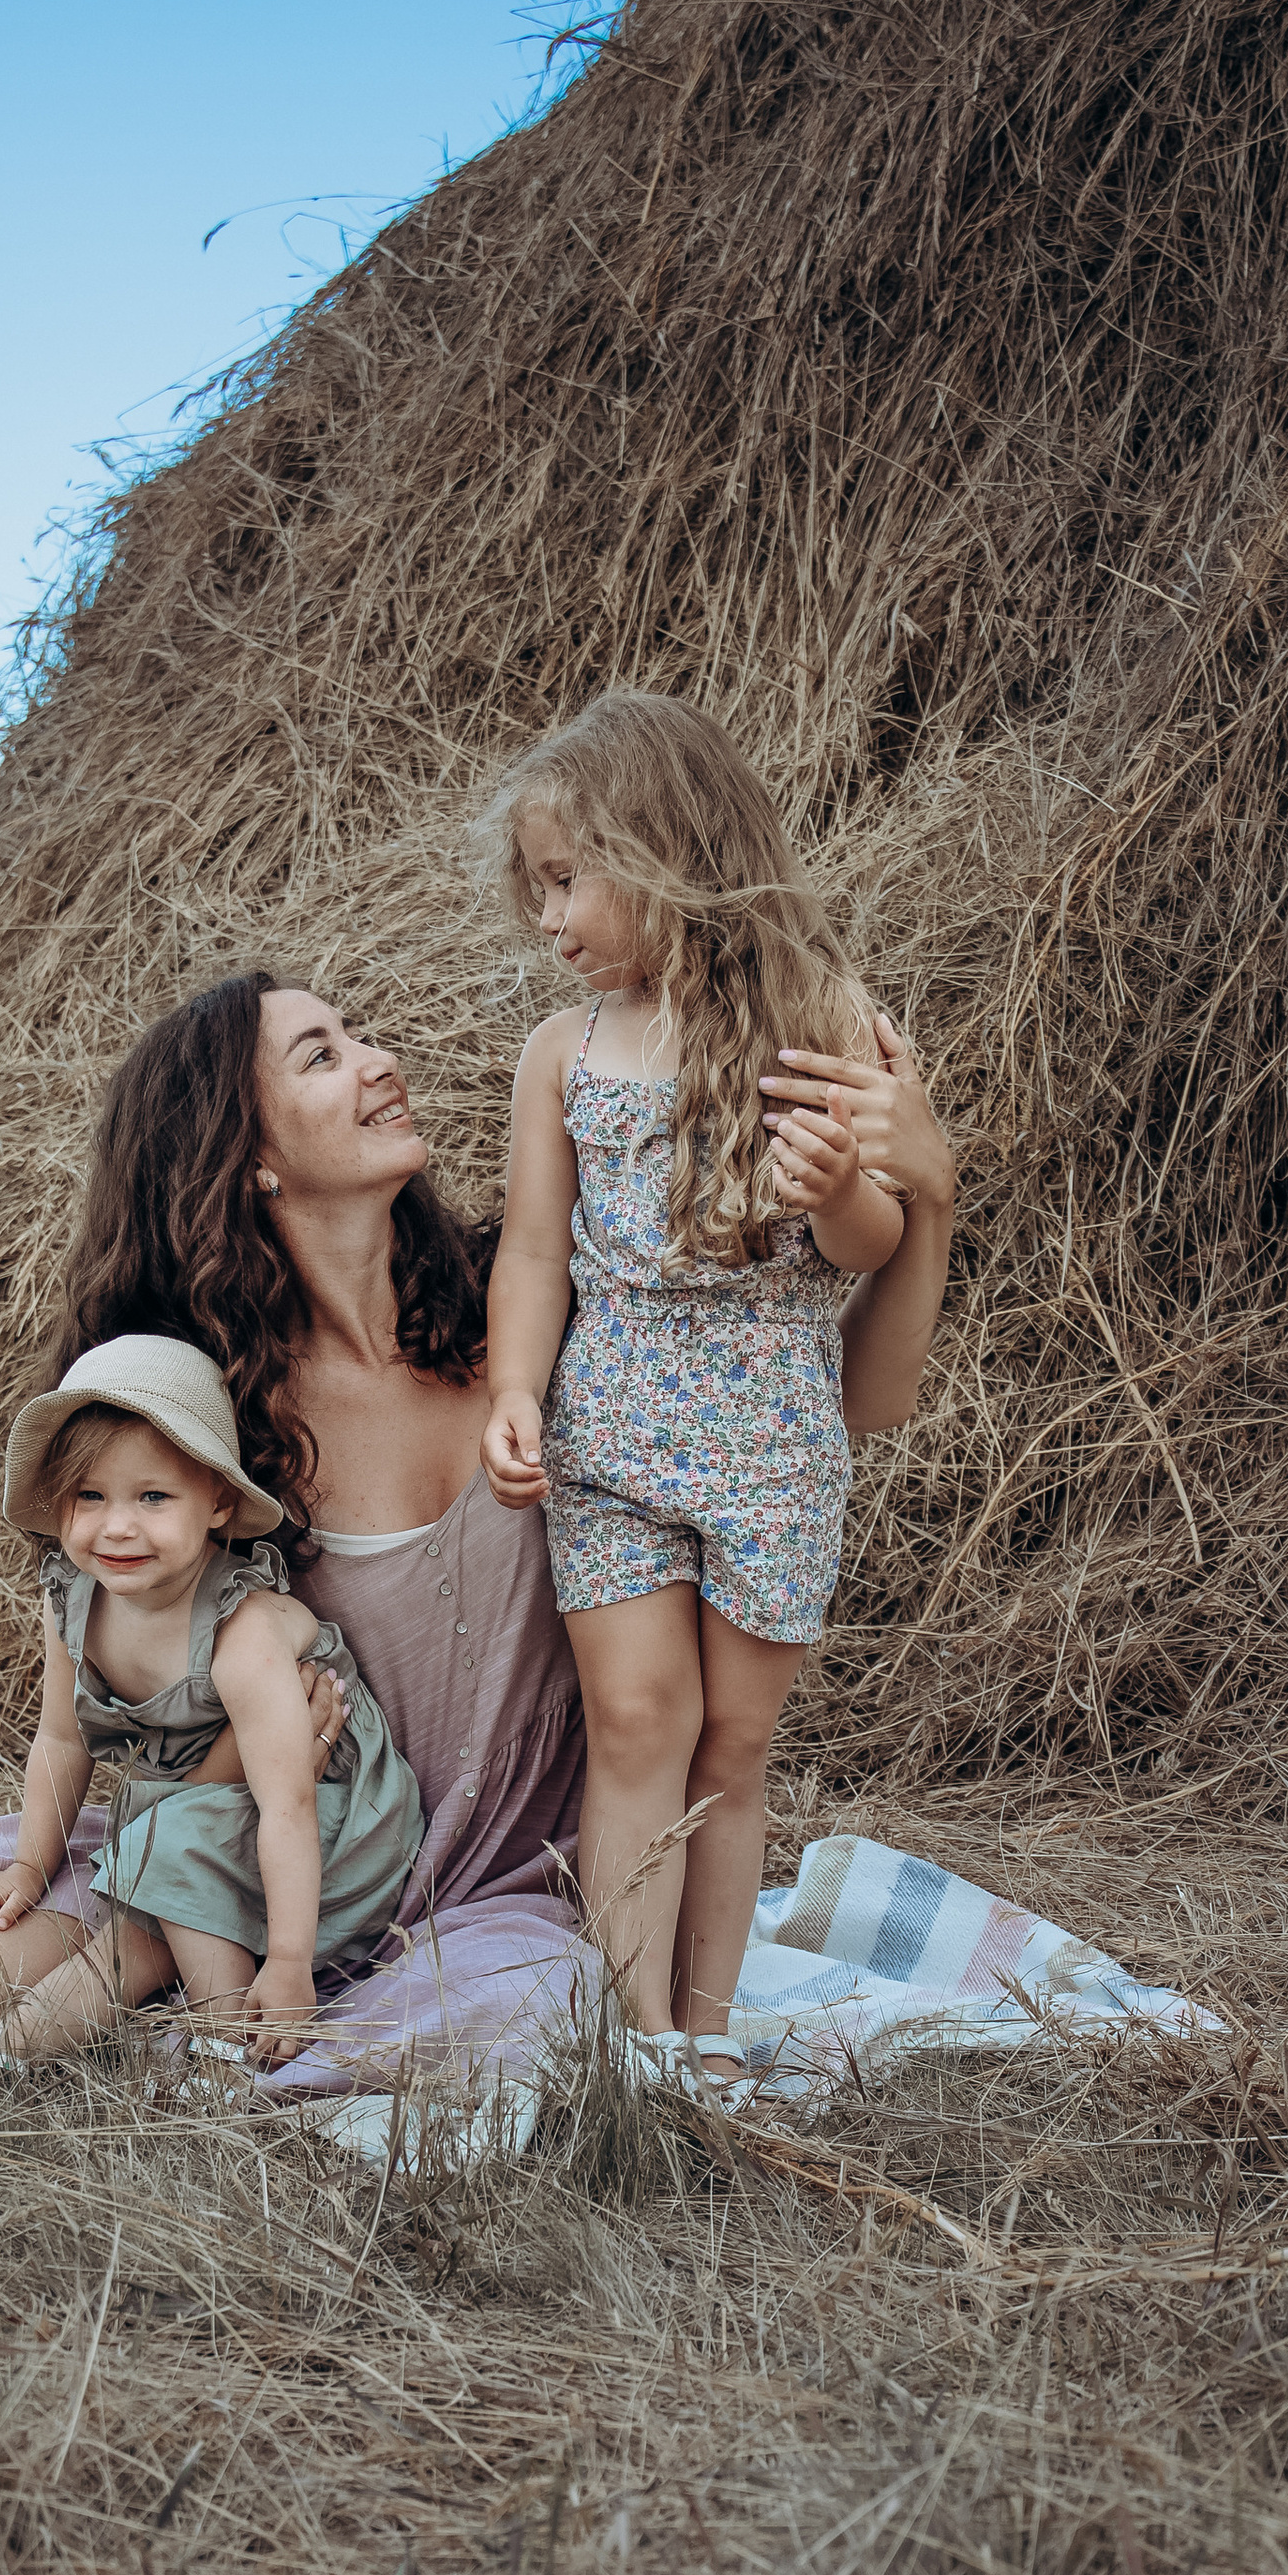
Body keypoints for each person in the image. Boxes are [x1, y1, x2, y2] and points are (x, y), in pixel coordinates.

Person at [0, 962, 955, 2099]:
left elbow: (852, 1398)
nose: (379, 1064)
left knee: (540, 2028)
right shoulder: (198, 1420)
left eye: (359, 1035)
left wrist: (928, 1207)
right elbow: (118, 1678)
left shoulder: (531, 1311)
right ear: (247, 1156)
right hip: (265, 1841)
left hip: (499, 1876)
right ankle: (205, 1982)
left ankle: (206, 2024)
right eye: (322, 1056)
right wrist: (219, 1764)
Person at [477, 688, 905, 2073]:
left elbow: (866, 1248)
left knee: (730, 1742)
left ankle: (707, 2033)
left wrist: (841, 1188)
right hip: (610, 1439)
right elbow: (537, 1250)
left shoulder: (817, 1015)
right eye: (537, 887)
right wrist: (516, 1388)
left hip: (776, 1442)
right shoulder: (566, 1052)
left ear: (663, 849)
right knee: (639, 1718)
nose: (550, 918)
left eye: (567, 879)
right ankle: (632, 2038)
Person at [0, 1335, 421, 2067]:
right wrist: (30, 1867)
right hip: (193, 1813)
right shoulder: (73, 1602)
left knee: (165, 1855)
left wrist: (289, 1960)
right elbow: (62, 1741)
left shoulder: (242, 1631)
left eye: (153, 1496)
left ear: (217, 1502)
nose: (117, 1525)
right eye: (90, 1495)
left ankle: (225, 2044)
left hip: (333, 1829)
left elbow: (289, 1805)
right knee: (144, 1908)